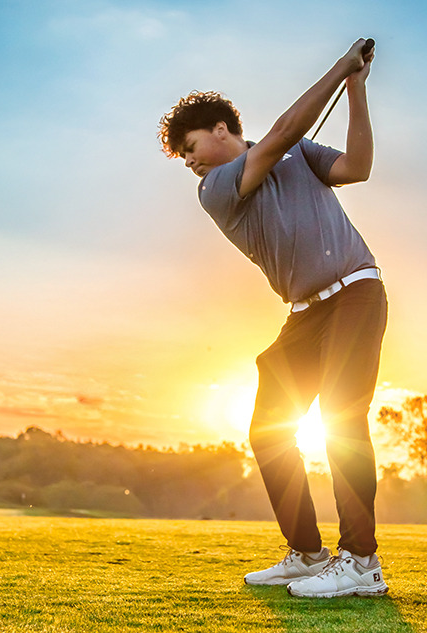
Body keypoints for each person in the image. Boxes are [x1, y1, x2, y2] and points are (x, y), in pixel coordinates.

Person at [158, 39, 389, 598]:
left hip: (356, 292)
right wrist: (341, 67)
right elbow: (283, 132)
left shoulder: (298, 153)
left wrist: (355, 87)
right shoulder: (215, 188)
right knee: (268, 430)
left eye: (189, 148)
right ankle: (309, 554)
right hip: (306, 313)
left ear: (220, 129)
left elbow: (356, 167)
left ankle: (362, 563)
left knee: (342, 418)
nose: (188, 163)